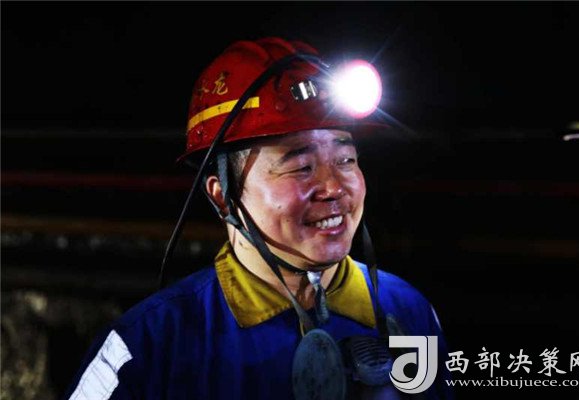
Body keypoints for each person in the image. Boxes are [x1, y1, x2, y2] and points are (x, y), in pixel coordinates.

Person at [64, 37, 453, 400]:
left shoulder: (409, 311)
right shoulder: (148, 347)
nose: (334, 187)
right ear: (223, 195)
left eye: (346, 159)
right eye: (301, 166)